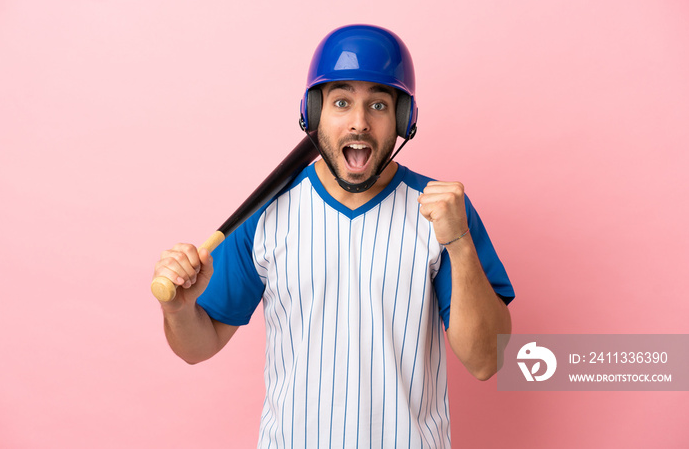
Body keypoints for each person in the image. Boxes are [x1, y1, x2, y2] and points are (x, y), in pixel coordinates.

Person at [153, 24, 515, 448]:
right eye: (341, 102)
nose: (359, 123)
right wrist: (179, 311)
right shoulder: (265, 212)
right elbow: (199, 345)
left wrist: (459, 242)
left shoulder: (444, 213)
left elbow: (488, 361)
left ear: (402, 120)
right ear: (313, 113)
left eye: (379, 105)